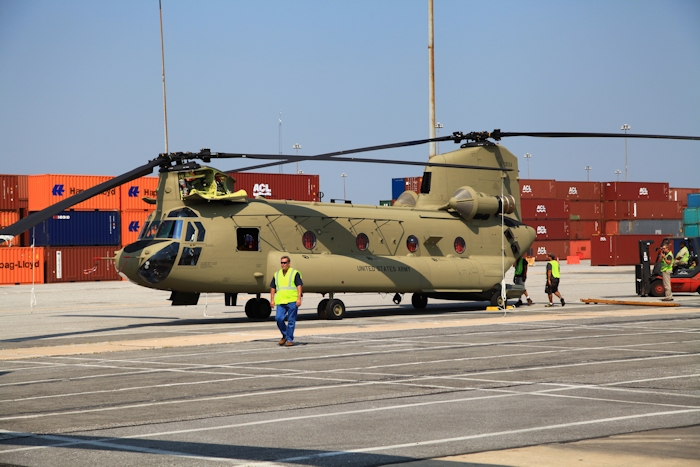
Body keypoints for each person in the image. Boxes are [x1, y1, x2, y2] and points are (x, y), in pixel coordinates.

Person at [270, 255, 303, 346]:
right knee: (278, 318)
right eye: (282, 263)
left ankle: (289, 339)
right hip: (280, 301)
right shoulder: (276, 274)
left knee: (291, 320)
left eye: (285, 263)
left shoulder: (294, 273)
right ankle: (285, 335)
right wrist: (272, 300)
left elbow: (299, 286)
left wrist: (299, 298)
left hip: (292, 300)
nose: (283, 264)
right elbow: (273, 287)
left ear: (289, 263)